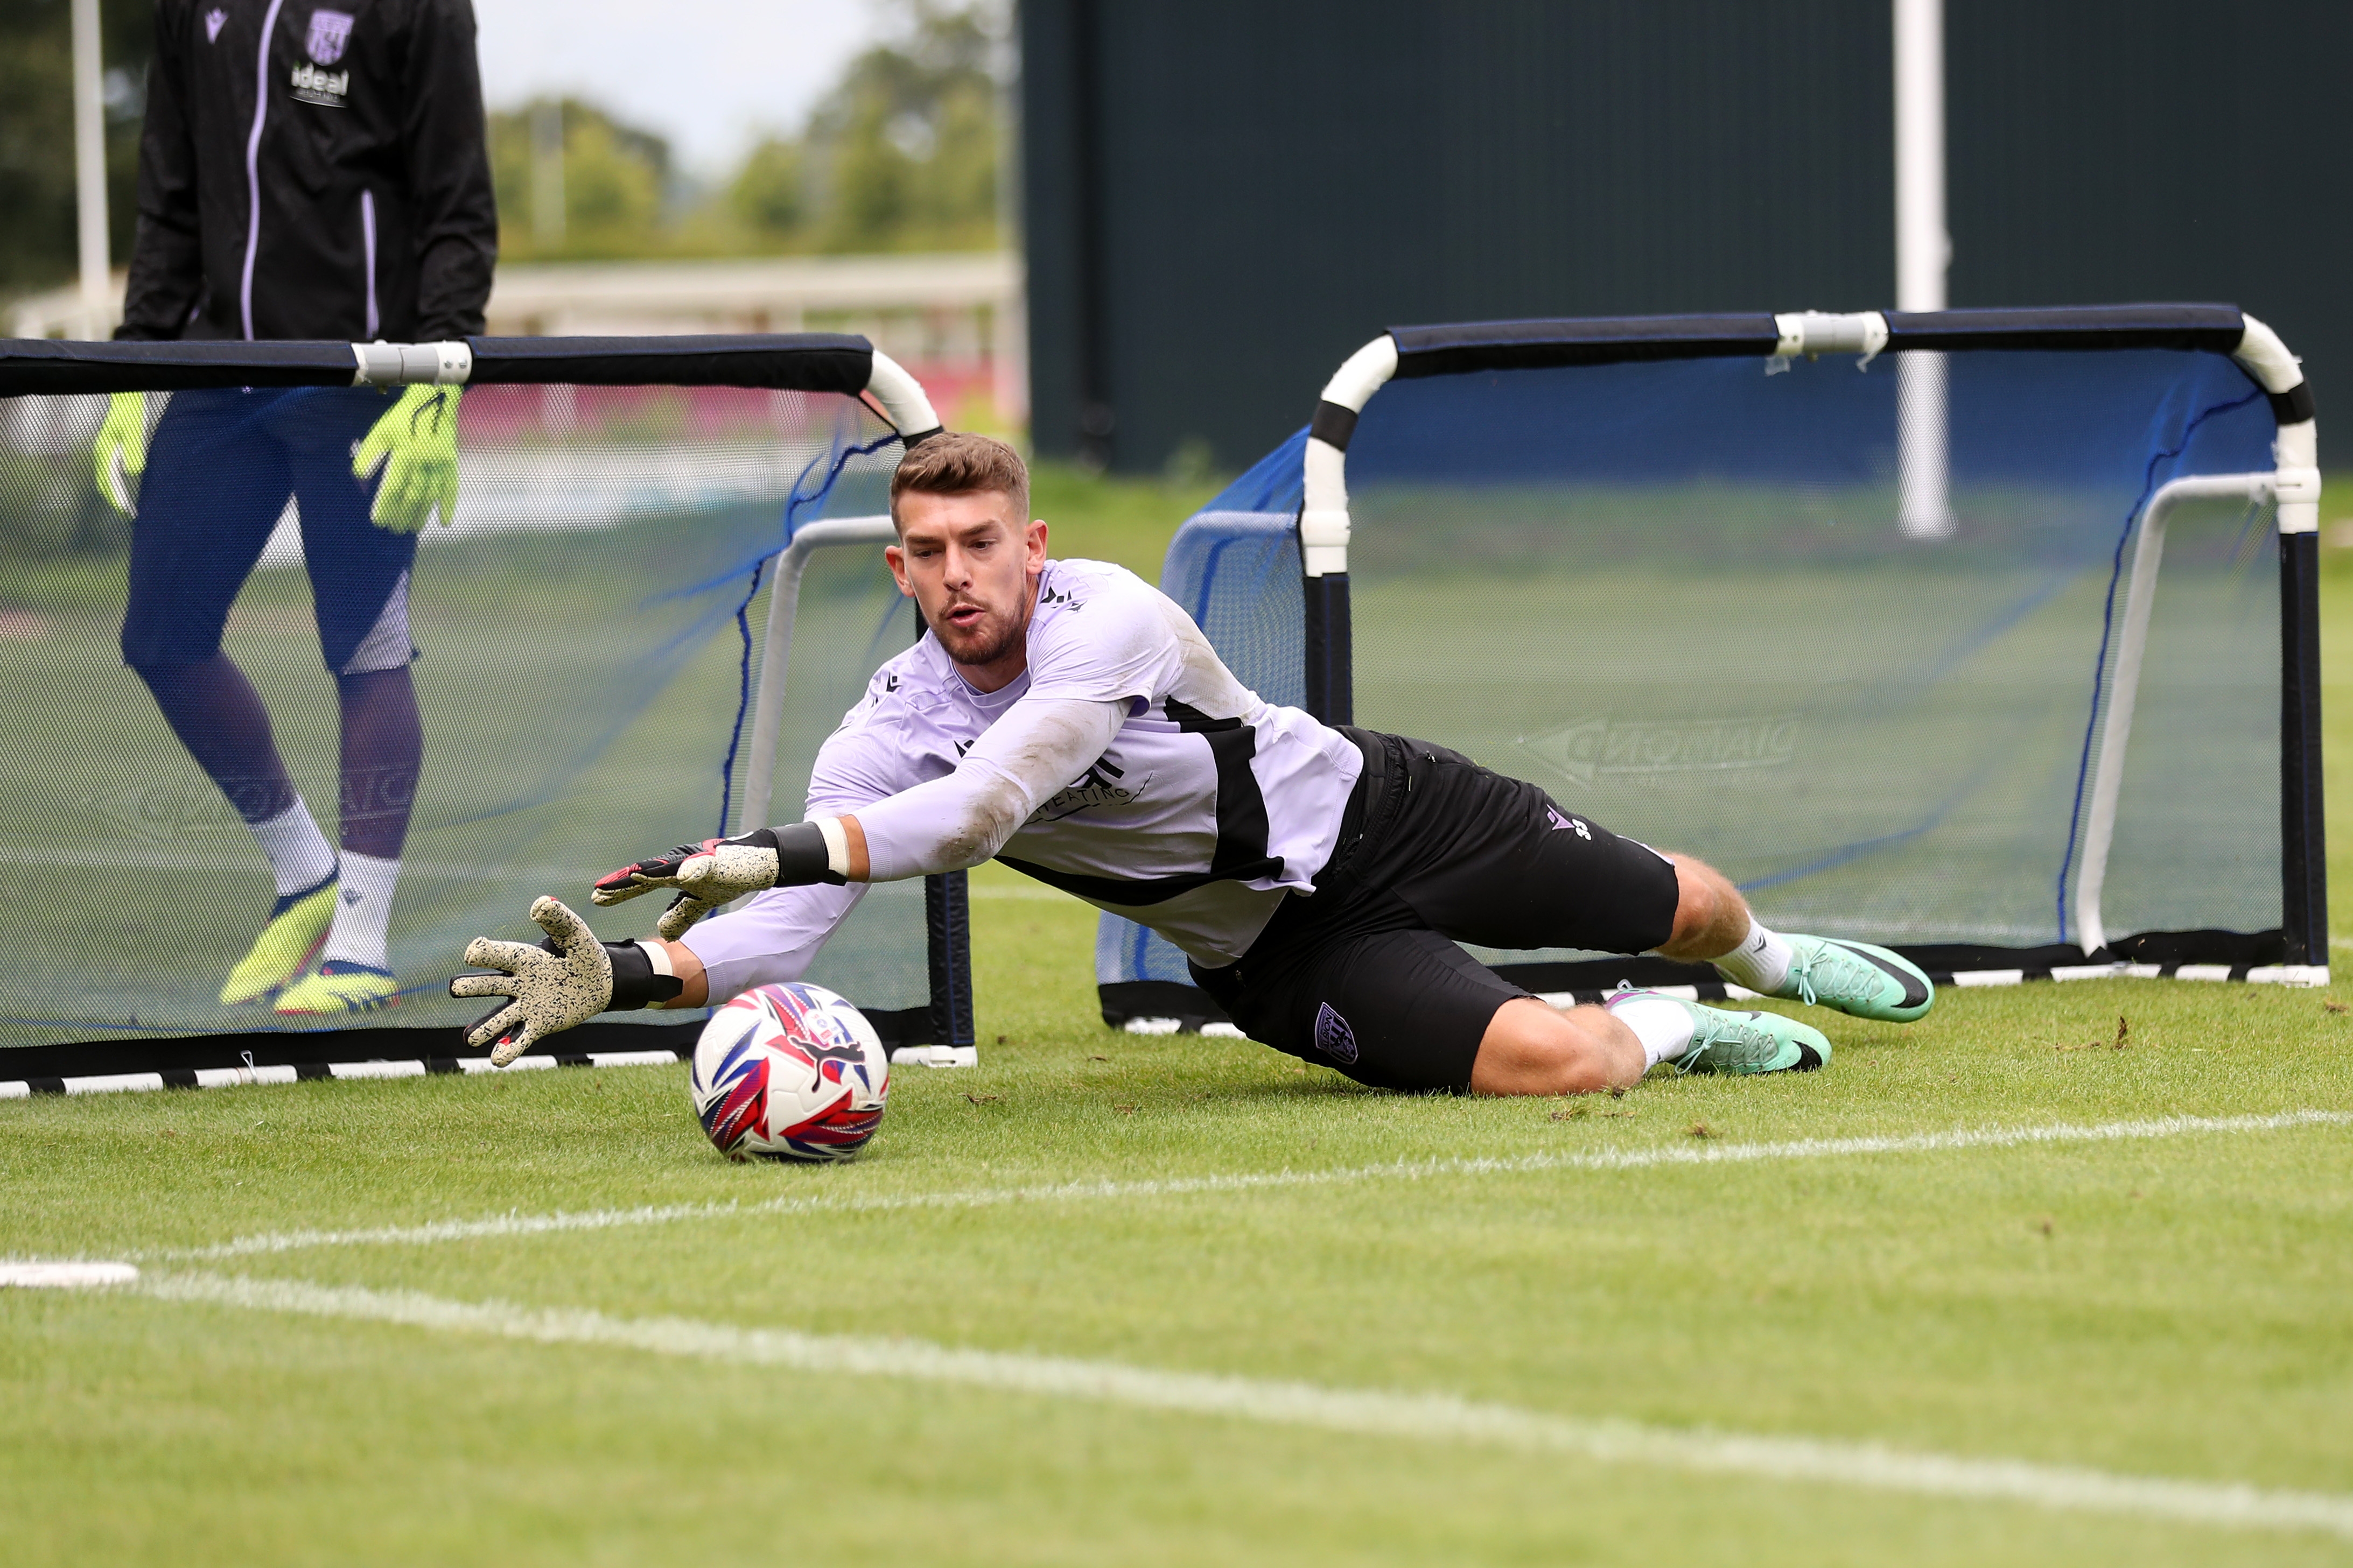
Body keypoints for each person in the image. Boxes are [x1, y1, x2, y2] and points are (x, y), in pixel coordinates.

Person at [453, 434, 1935, 1092]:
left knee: (1691, 901)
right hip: (1273, 957)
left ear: (1032, 544)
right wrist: (633, 980)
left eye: (985, 544)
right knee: (1557, 1061)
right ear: (896, 567)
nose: (961, 573)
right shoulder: (883, 724)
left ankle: (1768, 965)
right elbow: (791, 927)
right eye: (929, 553)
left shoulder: (1115, 621)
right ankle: (1668, 1032)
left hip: (1389, 815)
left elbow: (980, 814)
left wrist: (772, 842)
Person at [95, 0, 496, 1015]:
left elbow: (457, 202)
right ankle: (304, 872)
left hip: (365, 376)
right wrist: (136, 363)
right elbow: (170, 197)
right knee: (160, 637)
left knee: (367, 650)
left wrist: (439, 370)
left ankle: (360, 942)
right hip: (219, 370)